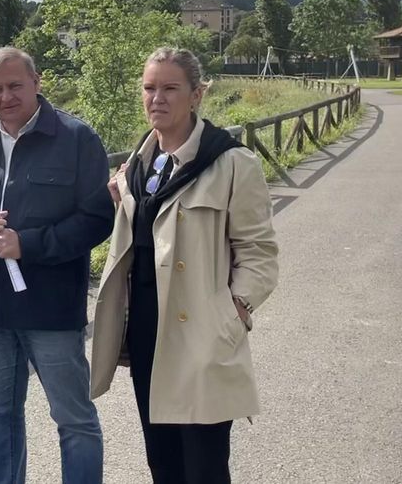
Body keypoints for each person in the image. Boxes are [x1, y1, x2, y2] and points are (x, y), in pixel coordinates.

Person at [90, 47, 279, 484]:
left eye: (170, 88)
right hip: (146, 336)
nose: (157, 98)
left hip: (200, 336)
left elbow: (259, 253)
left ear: (196, 95)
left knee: (205, 466)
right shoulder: (139, 165)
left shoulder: (231, 163)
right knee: (163, 462)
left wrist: (232, 313)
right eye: (149, 88)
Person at [0, 47, 114, 484]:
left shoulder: (77, 139)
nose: (6, 96)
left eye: (15, 85)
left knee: (73, 418)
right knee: (0, 415)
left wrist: (29, 244)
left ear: (37, 82)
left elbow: (97, 220)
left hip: (52, 310)